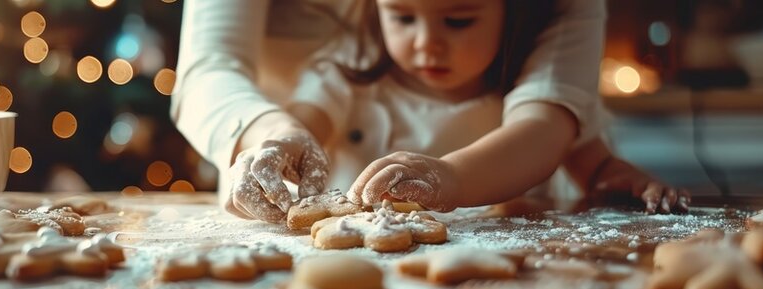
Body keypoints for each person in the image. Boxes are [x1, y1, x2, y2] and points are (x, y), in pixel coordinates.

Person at [172, 0, 688, 224]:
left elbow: (570, 150)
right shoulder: (348, 73)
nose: (427, 44)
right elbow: (305, 125)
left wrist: (449, 177)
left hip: (507, 270)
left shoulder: (524, 91)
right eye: (401, 17)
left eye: (459, 20)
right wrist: (280, 141)